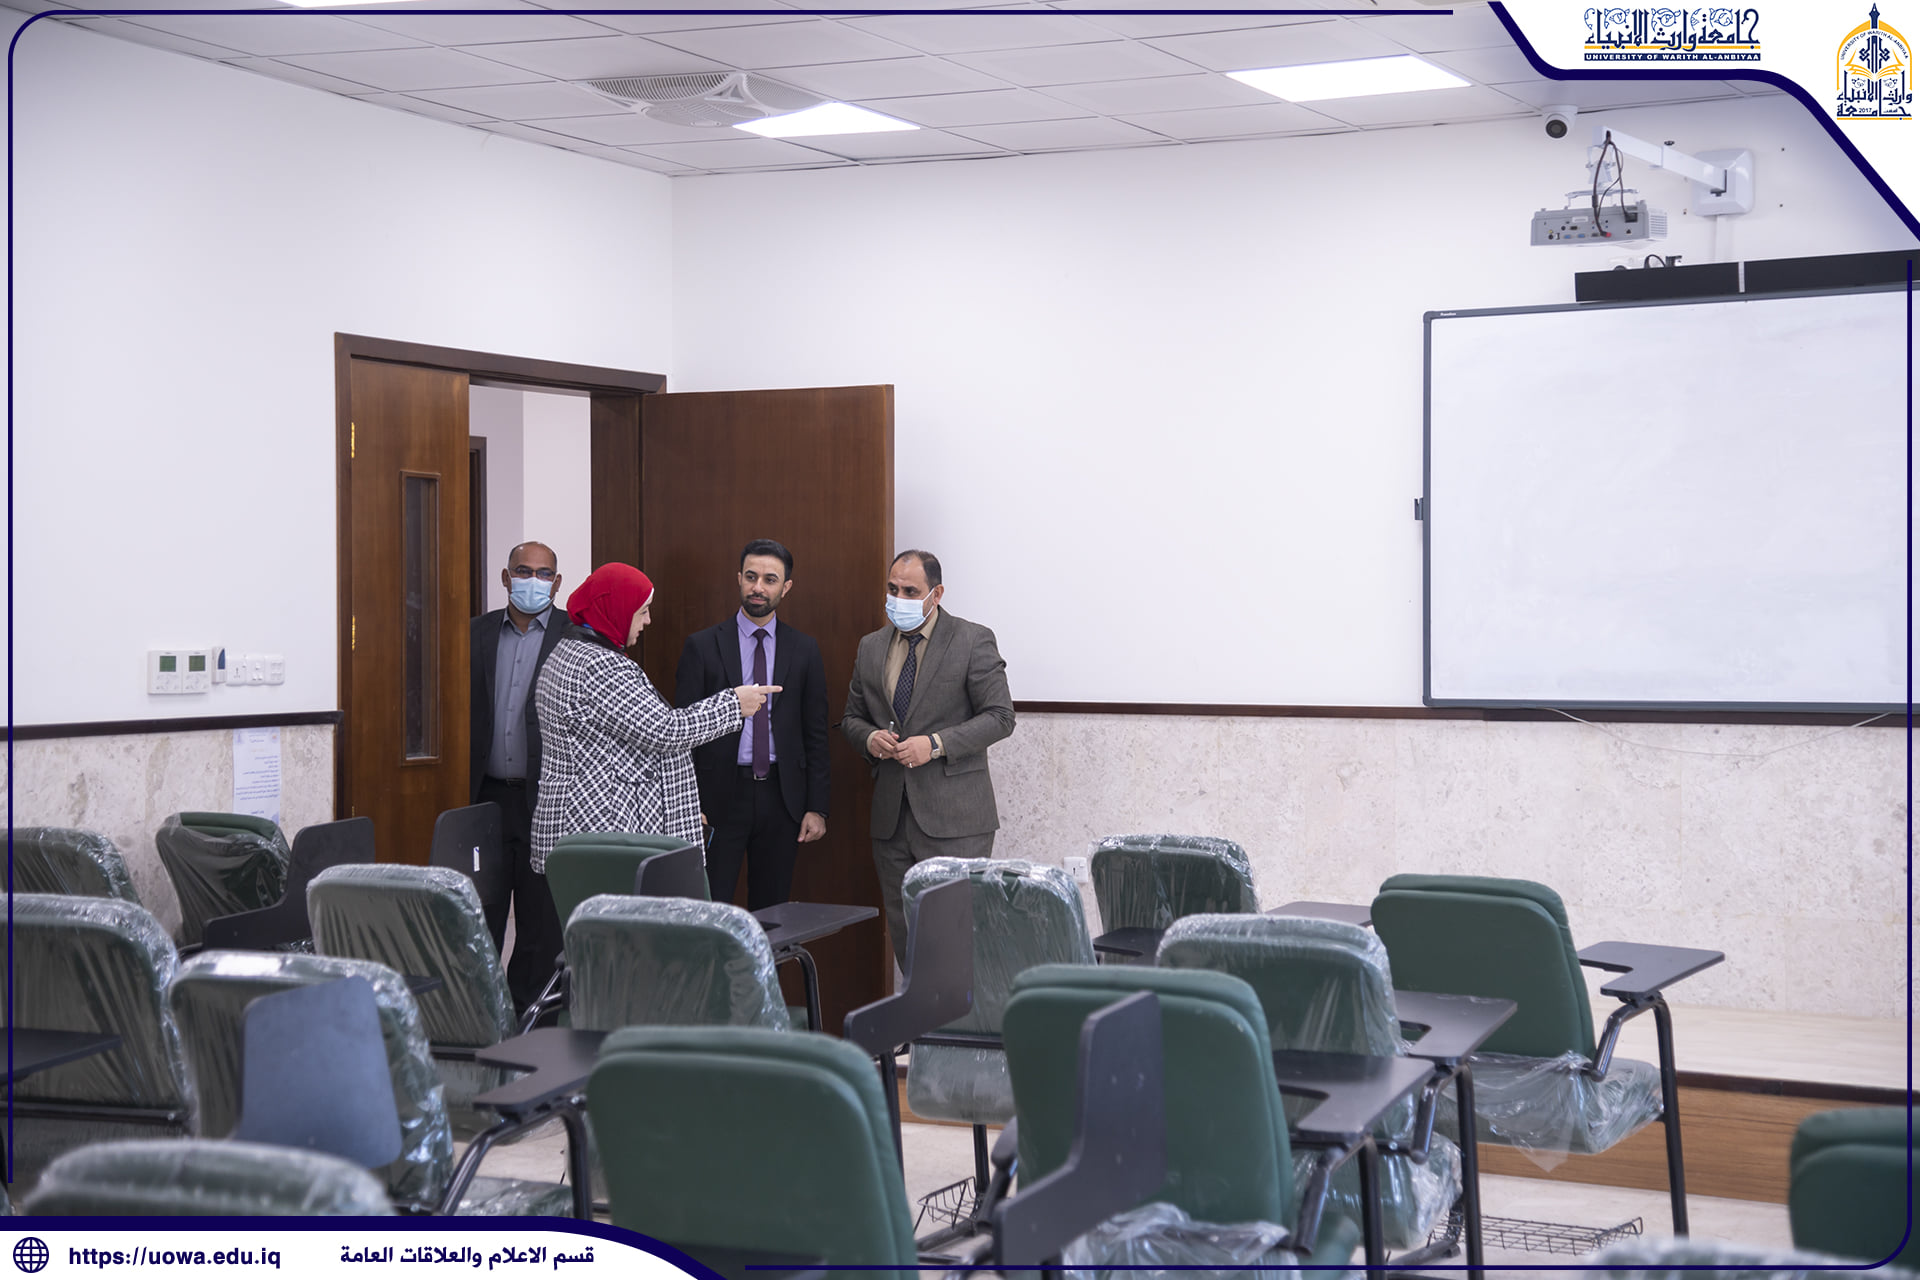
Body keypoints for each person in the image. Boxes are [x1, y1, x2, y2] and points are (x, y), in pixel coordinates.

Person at [531, 562, 777, 879]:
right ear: (617, 609)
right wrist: (733, 705)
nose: (648, 620)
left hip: (580, 824)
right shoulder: (601, 666)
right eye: (642, 611)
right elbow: (664, 730)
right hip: (600, 826)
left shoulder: (570, 650)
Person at [841, 549, 1015, 969]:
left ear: (936, 594)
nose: (898, 599)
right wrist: (870, 739)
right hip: (891, 821)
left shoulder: (972, 639)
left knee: (958, 936)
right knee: (906, 934)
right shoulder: (871, 646)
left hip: (956, 820)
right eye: (892, 589)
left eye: (910, 591)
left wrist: (934, 744)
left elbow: (1000, 717)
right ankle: (917, 1011)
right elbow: (851, 719)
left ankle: (963, 1015)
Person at [675, 539, 830, 908]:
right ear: (739, 579)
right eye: (751, 577)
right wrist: (687, 803)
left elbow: (816, 733)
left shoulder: (804, 649)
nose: (758, 587)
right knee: (711, 906)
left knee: (773, 910)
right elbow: (682, 732)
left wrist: (817, 807)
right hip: (718, 799)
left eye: (769, 579)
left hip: (782, 797)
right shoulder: (702, 646)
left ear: (786, 587)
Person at [469, 540, 568, 1015]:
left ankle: (532, 1030)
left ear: (557, 582)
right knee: (479, 920)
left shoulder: (575, 638)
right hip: (484, 801)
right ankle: (482, 1023)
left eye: (544, 574)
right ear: (506, 578)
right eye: (524, 572)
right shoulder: (474, 633)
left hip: (544, 802)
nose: (534, 581)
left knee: (539, 927)